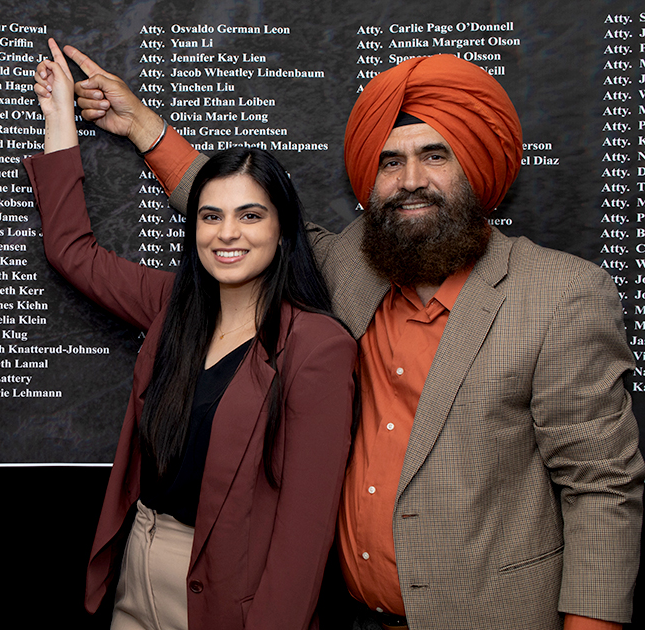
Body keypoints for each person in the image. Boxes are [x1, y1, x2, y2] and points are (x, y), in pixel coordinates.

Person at [60, 48, 644, 630]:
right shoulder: (349, 269)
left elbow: (602, 489)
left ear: (476, 166)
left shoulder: (559, 295)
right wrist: (142, 126)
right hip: (347, 615)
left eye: (434, 156)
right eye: (389, 162)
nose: (411, 181)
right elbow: (245, 219)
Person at [24, 39, 356, 629]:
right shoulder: (173, 305)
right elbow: (71, 251)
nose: (227, 234)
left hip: (232, 592)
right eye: (211, 216)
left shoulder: (316, 347)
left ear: (283, 233)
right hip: (138, 561)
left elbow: (304, 538)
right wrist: (57, 118)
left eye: (250, 215)